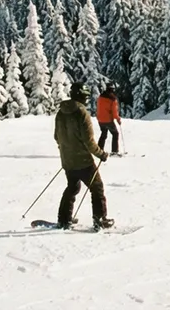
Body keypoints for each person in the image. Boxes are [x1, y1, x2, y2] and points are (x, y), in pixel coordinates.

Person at [54, 83, 112, 229]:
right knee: (97, 187)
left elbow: (56, 136)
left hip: (67, 160)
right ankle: (99, 220)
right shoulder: (81, 113)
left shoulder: (61, 112)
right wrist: (101, 154)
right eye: (85, 96)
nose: (86, 99)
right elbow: (89, 141)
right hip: (83, 161)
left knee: (72, 187)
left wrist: (67, 150)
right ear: (81, 96)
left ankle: (64, 219)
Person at [96, 86, 123, 156]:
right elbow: (114, 112)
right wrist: (118, 119)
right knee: (115, 134)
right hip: (108, 120)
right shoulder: (112, 99)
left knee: (103, 134)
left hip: (100, 119)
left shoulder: (100, 97)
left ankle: (99, 150)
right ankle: (114, 151)